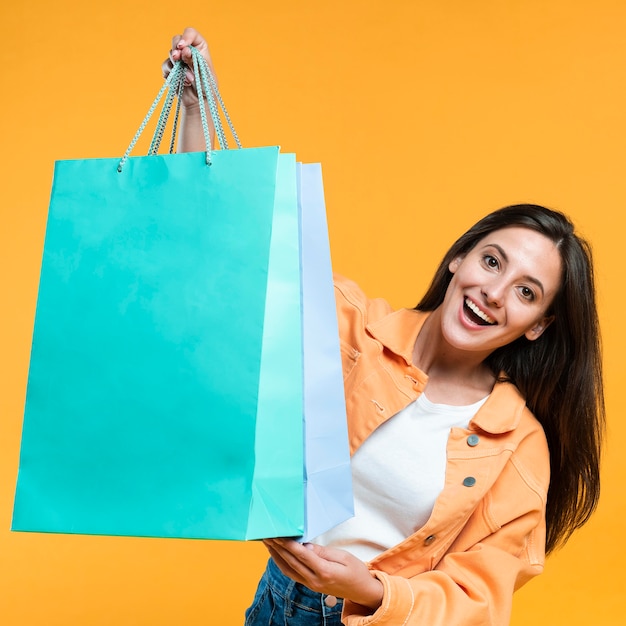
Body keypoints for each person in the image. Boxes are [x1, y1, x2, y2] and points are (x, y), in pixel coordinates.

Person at [163, 27, 605, 626]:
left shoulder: (518, 448)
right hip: (278, 606)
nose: (493, 293)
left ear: (537, 325)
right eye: (491, 261)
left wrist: (374, 591)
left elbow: (479, 603)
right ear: (460, 257)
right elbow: (228, 258)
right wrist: (195, 104)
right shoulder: (350, 327)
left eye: (525, 293)